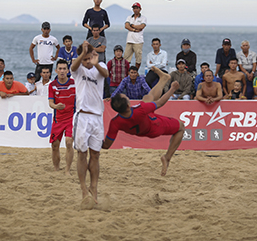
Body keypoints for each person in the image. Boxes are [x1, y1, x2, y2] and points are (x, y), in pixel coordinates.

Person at [103, 66, 184, 177]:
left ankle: (163, 79)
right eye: (126, 97)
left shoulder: (115, 122)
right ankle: (167, 157)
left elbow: (106, 145)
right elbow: (160, 103)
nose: (126, 96)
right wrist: (172, 89)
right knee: (181, 127)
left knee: (147, 98)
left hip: (142, 123)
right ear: (127, 105)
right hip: (154, 126)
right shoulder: (139, 110)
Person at [70, 41, 109, 206]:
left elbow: (106, 75)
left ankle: (94, 187)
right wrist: (82, 55)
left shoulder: (99, 65)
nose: (87, 62)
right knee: (82, 154)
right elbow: (73, 67)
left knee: (96, 155)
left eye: (89, 58)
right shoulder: (78, 69)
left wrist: (94, 62)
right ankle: (84, 188)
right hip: (82, 116)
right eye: (85, 59)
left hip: (97, 117)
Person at [48, 59, 76, 175]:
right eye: (60, 69)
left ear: (68, 70)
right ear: (56, 70)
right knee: (55, 145)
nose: (62, 71)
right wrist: (56, 106)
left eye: (64, 68)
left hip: (71, 118)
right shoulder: (52, 85)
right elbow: (50, 103)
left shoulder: (74, 83)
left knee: (69, 142)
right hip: (58, 119)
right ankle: (56, 168)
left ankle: (67, 170)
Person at [123, 2, 146, 71]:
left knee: (138, 58)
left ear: (140, 9)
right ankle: (127, 72)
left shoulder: (143, 18)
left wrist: (132, 25)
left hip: (138, 41)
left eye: (137, 8)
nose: (135, 10)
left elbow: (141, 26)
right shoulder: (129, 17)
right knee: (126, 58)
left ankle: (136, 71)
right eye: (134, 8)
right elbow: (126, 26)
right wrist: (134, 29)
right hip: (129, 40)